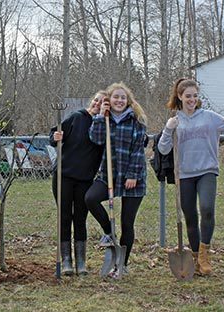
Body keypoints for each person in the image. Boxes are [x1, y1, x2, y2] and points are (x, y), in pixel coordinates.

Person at [157, 78, 224, 276]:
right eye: (188, 96)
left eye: (195, 95)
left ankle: (204, 255)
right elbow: (162, 148)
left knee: (207, 208)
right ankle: (194, 257)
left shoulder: (209, 117)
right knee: (190, 216)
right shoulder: (175, 120)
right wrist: (168, 129)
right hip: (184, 174)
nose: (192, 99)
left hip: (207, 170)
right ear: (179, 97)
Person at [84, 82, 147, 273]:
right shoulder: (104, 120)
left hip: (132, 177)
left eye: (123, 97)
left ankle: (122, 264)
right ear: (108, 100)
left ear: (128, 101)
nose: (119, 100)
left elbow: (138, 151)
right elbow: (96, 139)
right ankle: (108, 233)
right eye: (115, 97)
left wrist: (133, 175)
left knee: (127, 222)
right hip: (109, 174)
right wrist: (99, 117)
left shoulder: (136, 121)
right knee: (90, 198)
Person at [49, 91, 105, 275]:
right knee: (64, 217)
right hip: (63, 175)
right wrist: (55, 137)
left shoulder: (104, 127)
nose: (97, 104)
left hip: (85, 179)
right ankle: (66, 260)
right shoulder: (76, 118)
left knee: (80, 219)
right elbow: (54, 133)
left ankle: (81, 261)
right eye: (96, 100)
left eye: (102, 102)